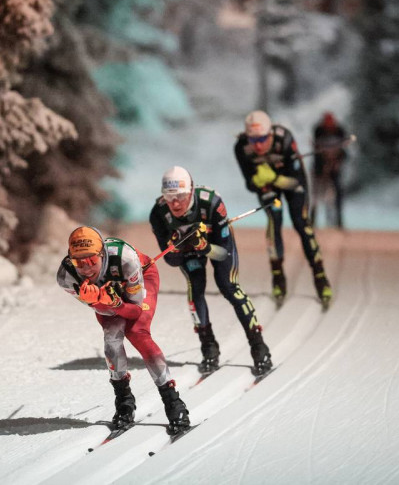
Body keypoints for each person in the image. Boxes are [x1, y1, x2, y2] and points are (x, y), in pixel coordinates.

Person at [57, 226, 190, 435]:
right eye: (78, 261)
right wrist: (101, 301)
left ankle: (173, 401)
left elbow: (135, 311)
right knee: (111, 337)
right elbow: (106, 311)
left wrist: (111, 301)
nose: (86, 268)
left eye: (91, 260)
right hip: (108, 299)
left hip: (141, 279)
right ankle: (124, 400)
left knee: (137, 332)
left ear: (102, 254)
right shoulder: (67, 277)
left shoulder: (125, 258)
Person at [149, 166, 273, 375]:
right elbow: (170, 259)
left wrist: (204, 246)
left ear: (191, 191)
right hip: (189, 251)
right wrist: (179, 246)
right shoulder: (158, 214)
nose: (175, 203)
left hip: (216, 245)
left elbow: (224, 253)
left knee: (228, 286)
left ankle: (259, 346)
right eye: (169, 197)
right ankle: (209, 347)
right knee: (195, 287)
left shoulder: (212, 203)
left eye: (180, 195)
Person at [234, 110, 333, 310]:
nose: (258, 145)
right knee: (274, 220)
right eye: (254, 139)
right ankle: (278, 276)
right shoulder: (241, 147)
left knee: (301, 223)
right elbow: (249, 184)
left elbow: (297, 179)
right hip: (268, 186)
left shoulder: (284, 139)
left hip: (290, 183)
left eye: (262, 139)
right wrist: (257, 180)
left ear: (270, 134)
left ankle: (320, 276)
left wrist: (275, 178)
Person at [311, 112, 348, 229]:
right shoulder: (318, 131)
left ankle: (338, 220)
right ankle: (312, 220)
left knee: (337, 194)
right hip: (319, 168)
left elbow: (344, 153)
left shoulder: (340, 132)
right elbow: (316, 151)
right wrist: (321, 165)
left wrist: (336, 163)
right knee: (315, 195)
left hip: (334, 169)